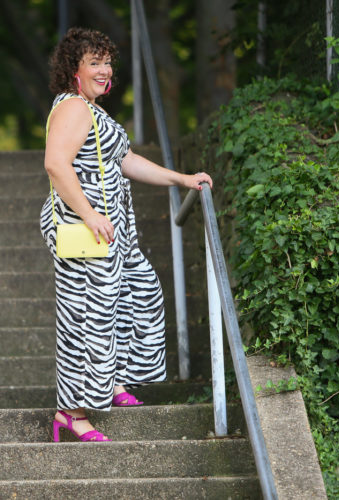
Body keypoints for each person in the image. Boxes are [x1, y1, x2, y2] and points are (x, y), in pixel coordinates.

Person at [40, 27, 213, 442]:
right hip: (85, 228)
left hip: (111, 232)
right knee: (88, 318)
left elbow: (127, 160)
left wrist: (183, 179)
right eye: (94, 62)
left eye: (107, 61)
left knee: (138, 292)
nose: (105, 69)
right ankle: (72, 412)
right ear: (73, 69)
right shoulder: (73, 110)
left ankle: (111, 382)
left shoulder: (91, 110)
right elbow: (56, 164)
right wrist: (90, 214)